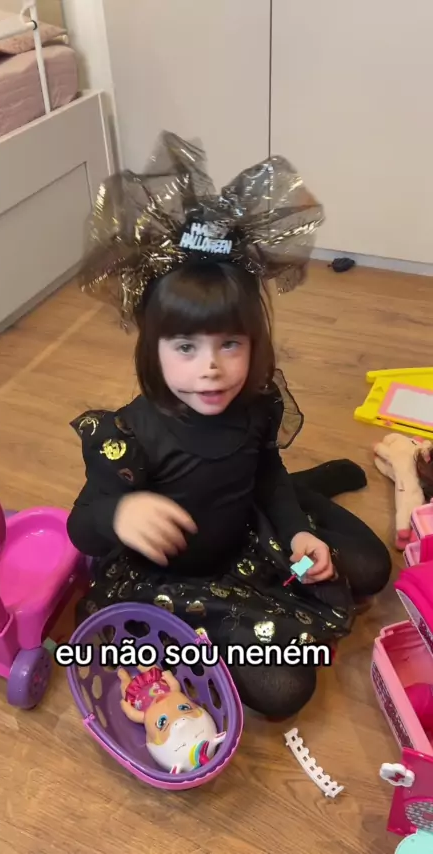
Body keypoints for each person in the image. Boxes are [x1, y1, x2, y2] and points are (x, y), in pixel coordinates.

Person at [67, 132, 392, 719]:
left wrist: (297, 534)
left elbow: (264, 472)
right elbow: (81, 528)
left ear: (254, 343)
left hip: (250, 531)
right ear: (152, 348)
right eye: (185, 346)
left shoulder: (255, 406)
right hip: (175, 584)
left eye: (230, 344)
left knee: (372, 568)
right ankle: (309, 496)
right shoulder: (129, 435)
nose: (211, 368)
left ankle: (311, 496)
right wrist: (118, 513)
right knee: (285, 691)